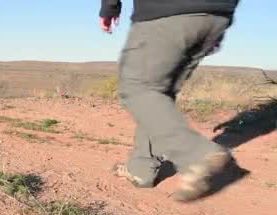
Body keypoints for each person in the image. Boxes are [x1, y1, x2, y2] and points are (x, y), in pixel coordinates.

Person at [100, 0, 240, 202]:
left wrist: (110, 7)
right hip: (216, 16)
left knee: (137, 89)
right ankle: (142, 169)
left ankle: (197, 155)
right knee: (158, 96)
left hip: (166, 13)